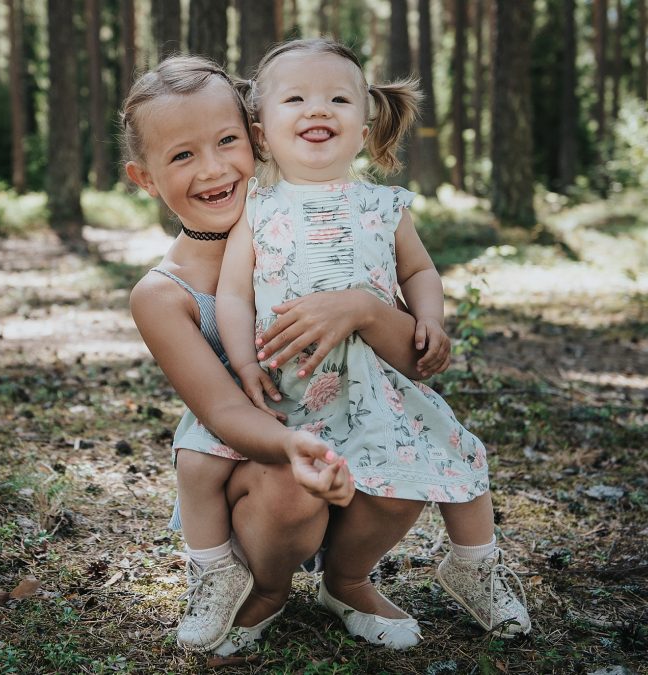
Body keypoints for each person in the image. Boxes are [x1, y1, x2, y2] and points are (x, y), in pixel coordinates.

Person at [216, 38, 532, 645]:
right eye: (297, 98)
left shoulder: (384, 206)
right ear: (260, 133)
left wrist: (430, 319)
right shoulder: (257, 208)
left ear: (362, 131)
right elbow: (233, 293)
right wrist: (239, 361)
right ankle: (267, 586)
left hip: (373, 387)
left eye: (338, 98)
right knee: (292, 490)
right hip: (292, 388)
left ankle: (388, 575)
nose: (319, 109)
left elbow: (419, 272)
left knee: (443, 460)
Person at [121, 56, 439, 655]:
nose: (213, 169)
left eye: (226, 142)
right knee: (291, 487)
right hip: (262, 465)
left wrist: (366, 309)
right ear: (145, 178)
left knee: (409, 468)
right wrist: (294, 446)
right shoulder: (163, 296)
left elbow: (415, 365)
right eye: (182, 155)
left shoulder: (326, 233)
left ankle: (347, 582)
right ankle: (263, 587)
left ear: (257, 136)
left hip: (354, 429)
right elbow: (221, 410)